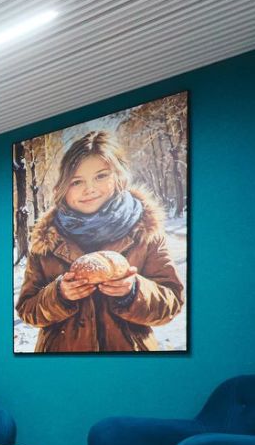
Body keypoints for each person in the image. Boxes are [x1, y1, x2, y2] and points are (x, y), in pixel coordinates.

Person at [16, 130, 183, 352]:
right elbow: (27, 309)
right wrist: (58, 295)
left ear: (118, 177)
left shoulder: (145, 232)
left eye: (101, 176)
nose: (89, 189)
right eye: (76, 182)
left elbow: (172, 301)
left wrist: (134, 291)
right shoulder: (46, 241)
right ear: (63, 187)